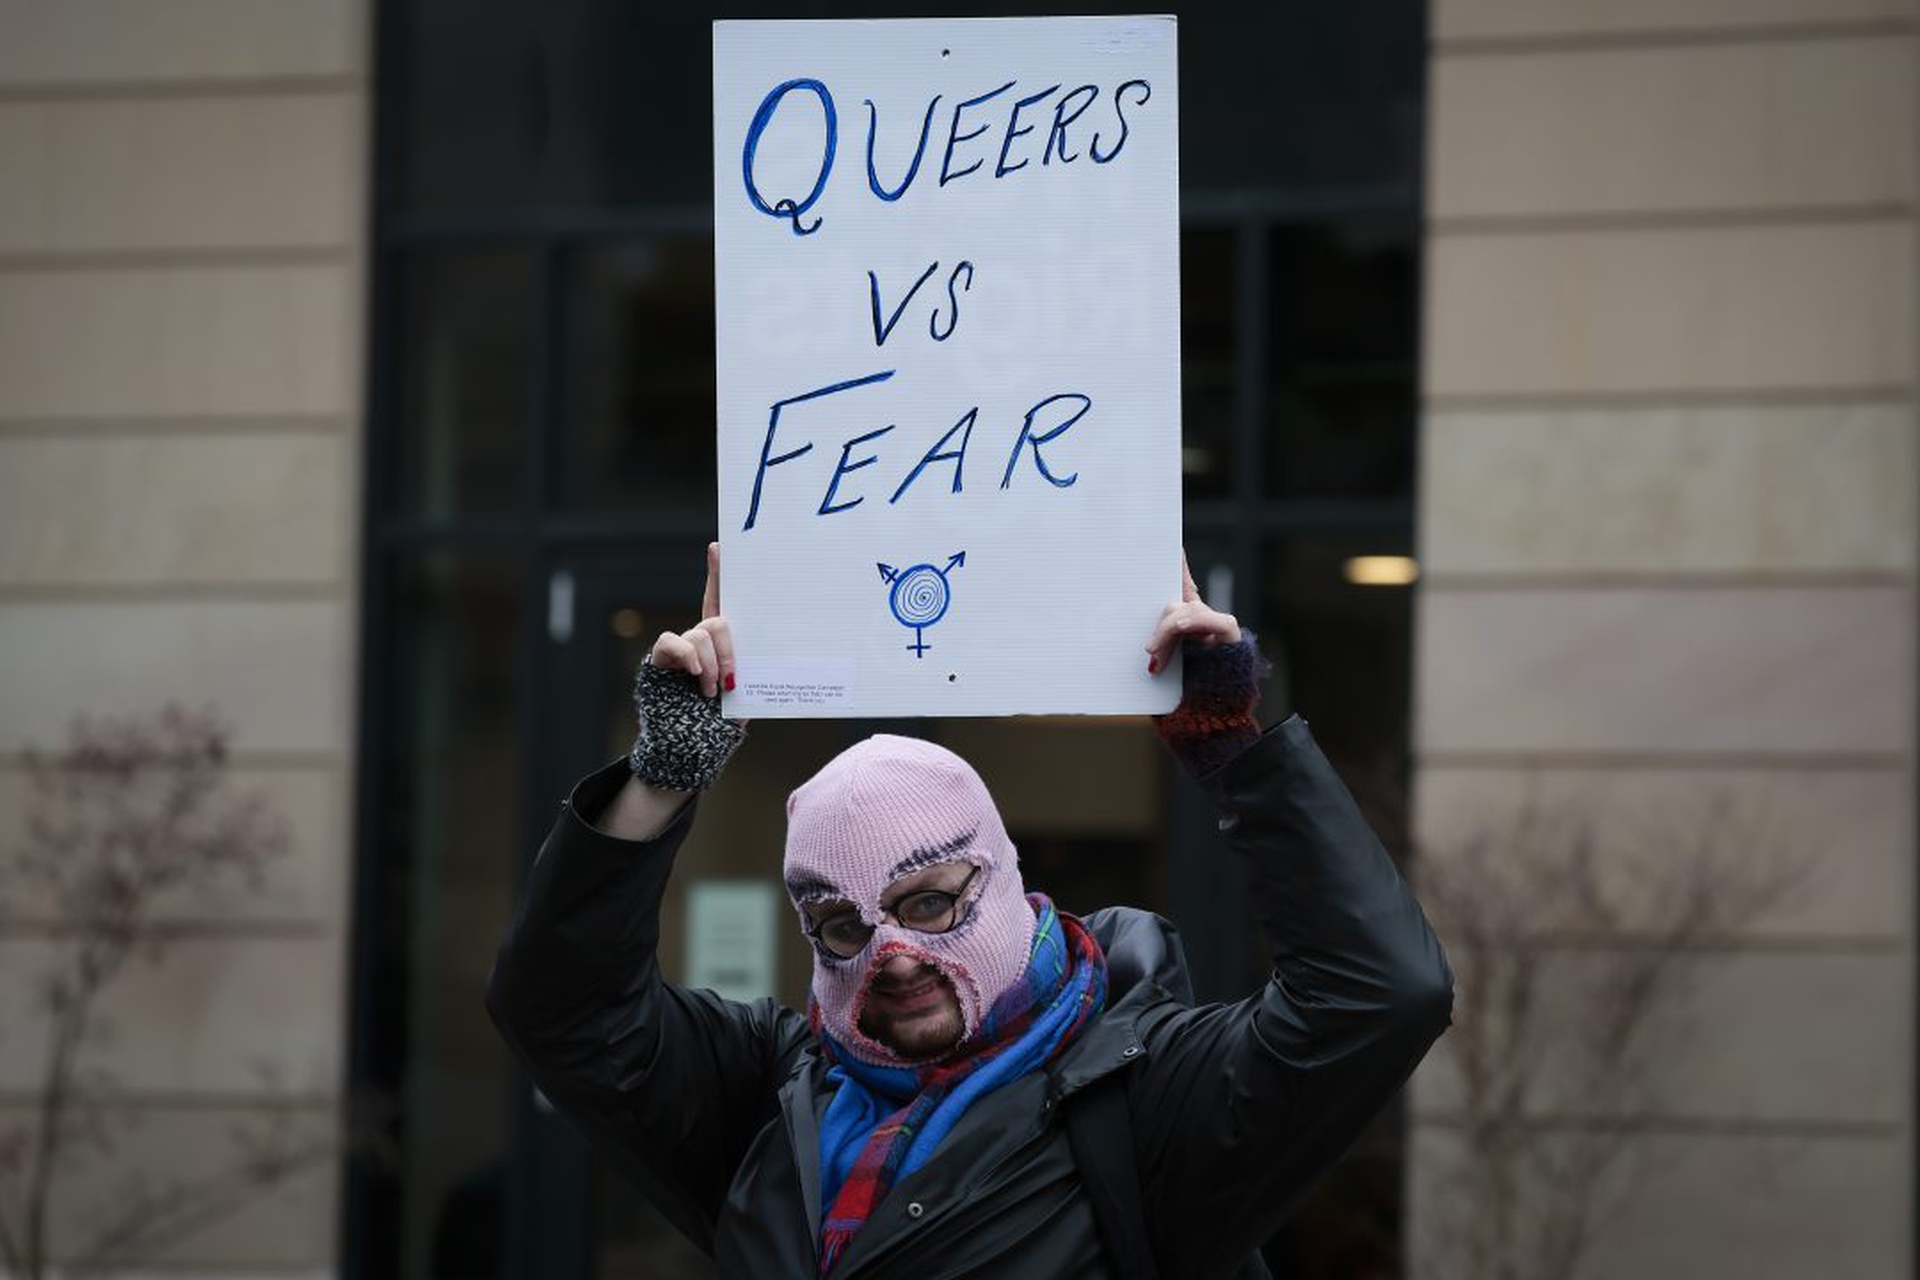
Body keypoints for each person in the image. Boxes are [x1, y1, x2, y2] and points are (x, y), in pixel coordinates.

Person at [486, 544, 1453, 1278]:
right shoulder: (765, 1102)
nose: (893, 955)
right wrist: (659, 783)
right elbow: (561, 1010)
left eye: (930, 902)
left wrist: (1232, 754)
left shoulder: (1156, 1105)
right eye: (844, 926)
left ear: (1002, 881)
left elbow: (1382, 996)